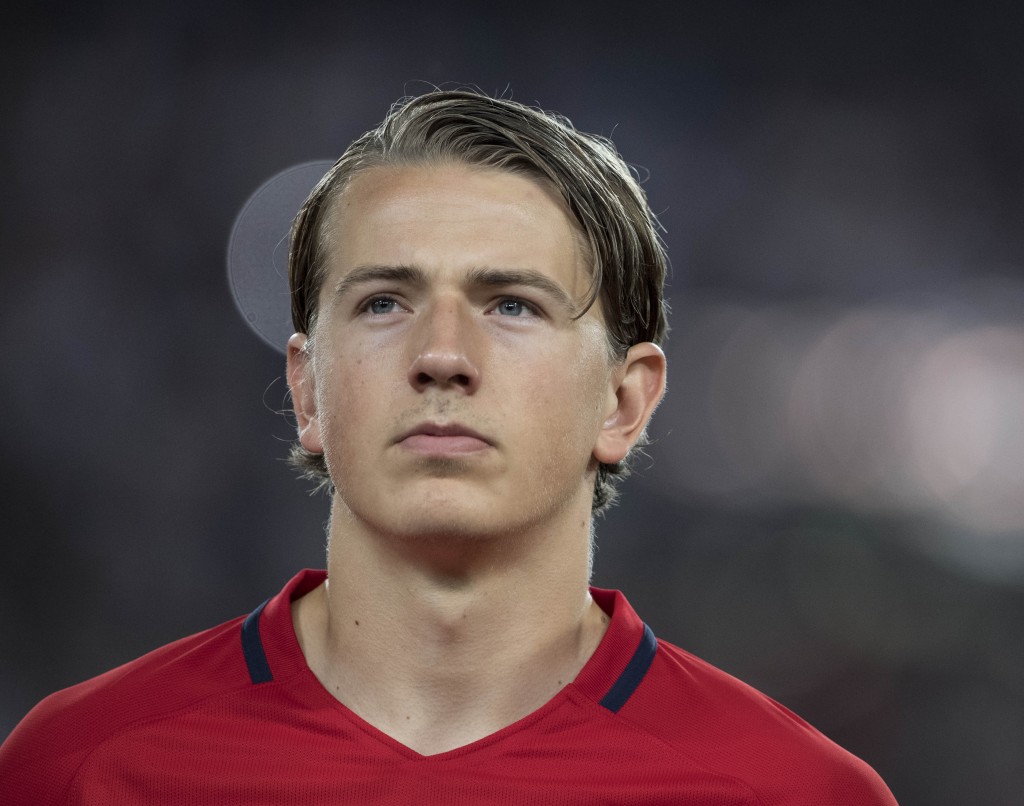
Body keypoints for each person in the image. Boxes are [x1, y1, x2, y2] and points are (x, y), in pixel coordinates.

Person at [0, 90, 898, 804]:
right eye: (384, 302)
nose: (441, 356)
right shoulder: (75, 771)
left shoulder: (793, 794)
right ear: (308, 389)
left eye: (513, 304)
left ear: (624, 402)